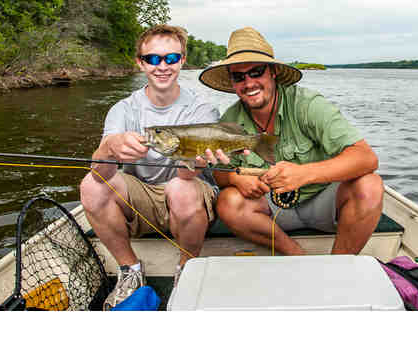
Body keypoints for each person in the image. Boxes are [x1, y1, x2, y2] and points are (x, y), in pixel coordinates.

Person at [80, 24, 229, 310]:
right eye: (153, 59)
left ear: (182, 60)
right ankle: (130, 270)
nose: (162, 66)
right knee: (90, 185)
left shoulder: (202, 109)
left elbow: (187, 174)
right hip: (141, 199)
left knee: (181, 187)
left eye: (171, 58)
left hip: (188, 195)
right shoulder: (123, 109)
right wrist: (110, 148)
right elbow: (99, 174)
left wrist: (195, 161)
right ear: (140, 62)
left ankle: (187, 267)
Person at [198, 27, 384, 256]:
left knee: (370, 185)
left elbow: (366, 158)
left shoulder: (308, 105)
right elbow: (220, 173)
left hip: (323, 202)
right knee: (228, 202)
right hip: (269, 210)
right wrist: (235, 178)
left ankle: (337, 265)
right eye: (239, 76)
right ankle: (296, 255)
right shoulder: (230, 120)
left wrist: (305, 174)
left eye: (256, 72)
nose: (249, 83)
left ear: (273, 72)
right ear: (232, 82)